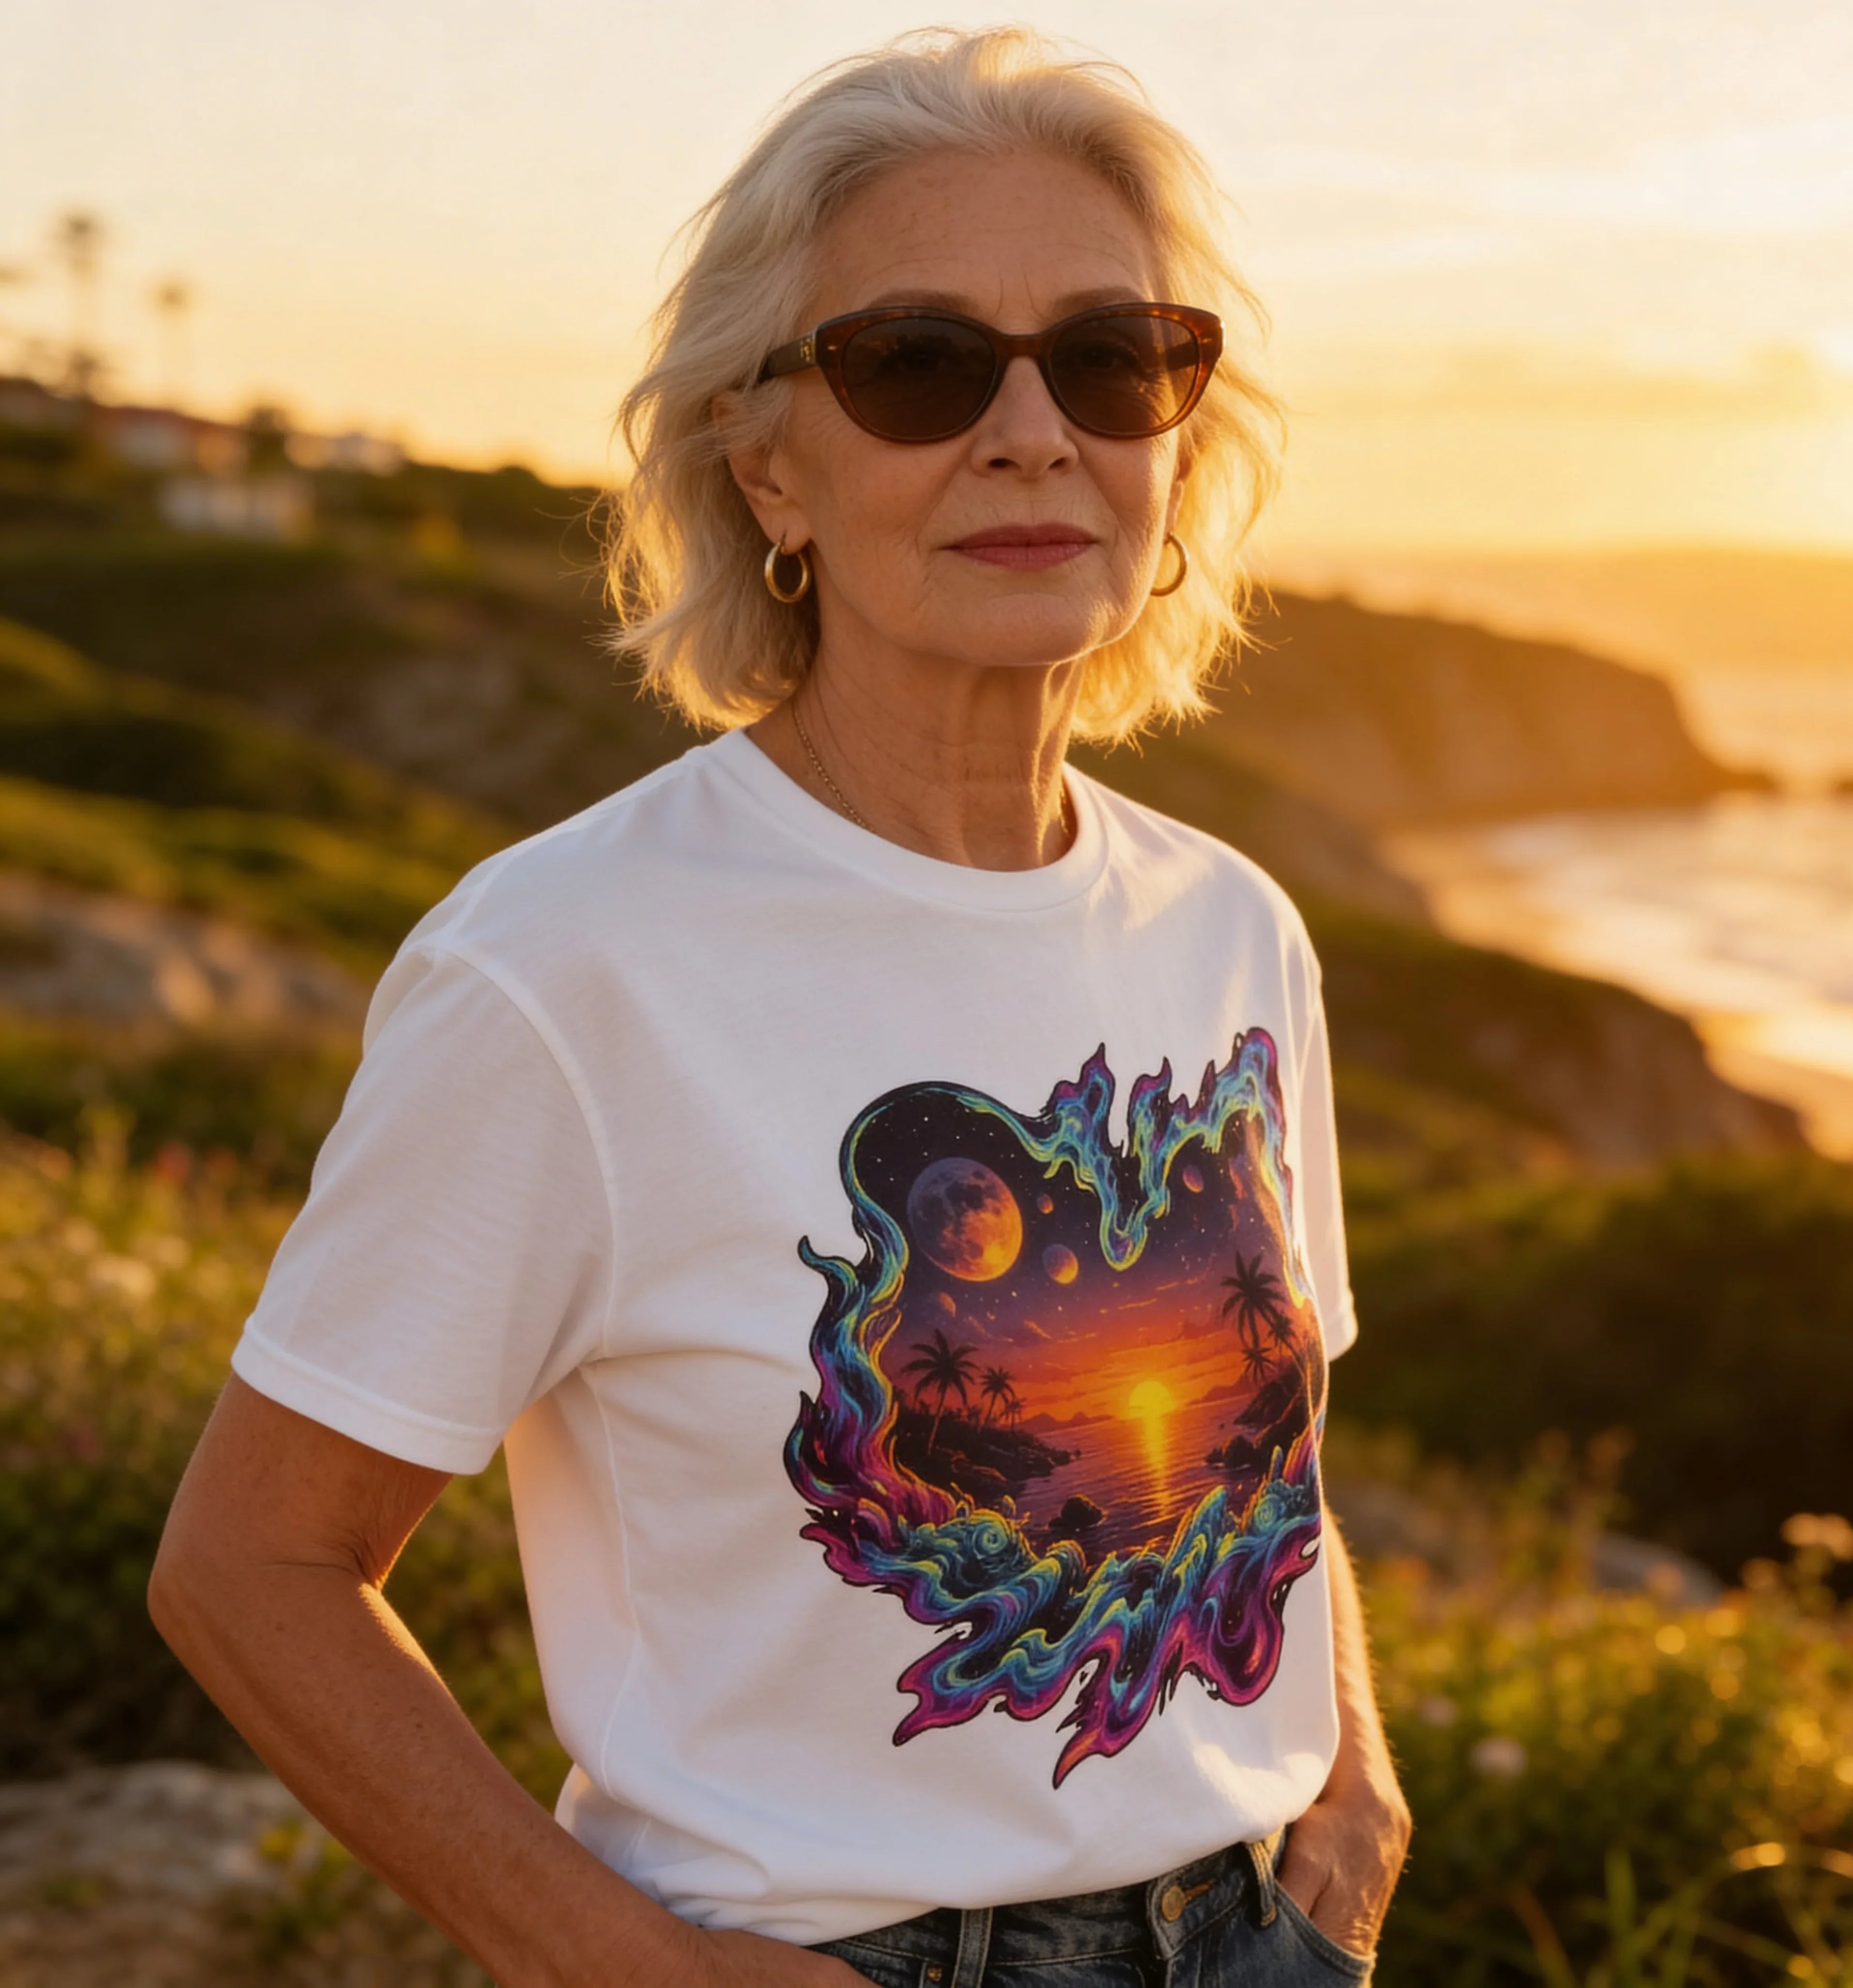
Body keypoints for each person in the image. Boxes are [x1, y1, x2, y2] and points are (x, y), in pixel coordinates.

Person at [150, 28, 1411, 1988]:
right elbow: (250, 1570)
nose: (1028, 432)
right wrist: (625, 1969)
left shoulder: (1233, 930)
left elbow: (1277, 1445)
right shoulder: (566, 966)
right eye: (915, 364)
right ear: (765, 465)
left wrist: (1357, 1763)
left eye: (1110, 357)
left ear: (1174, 444)